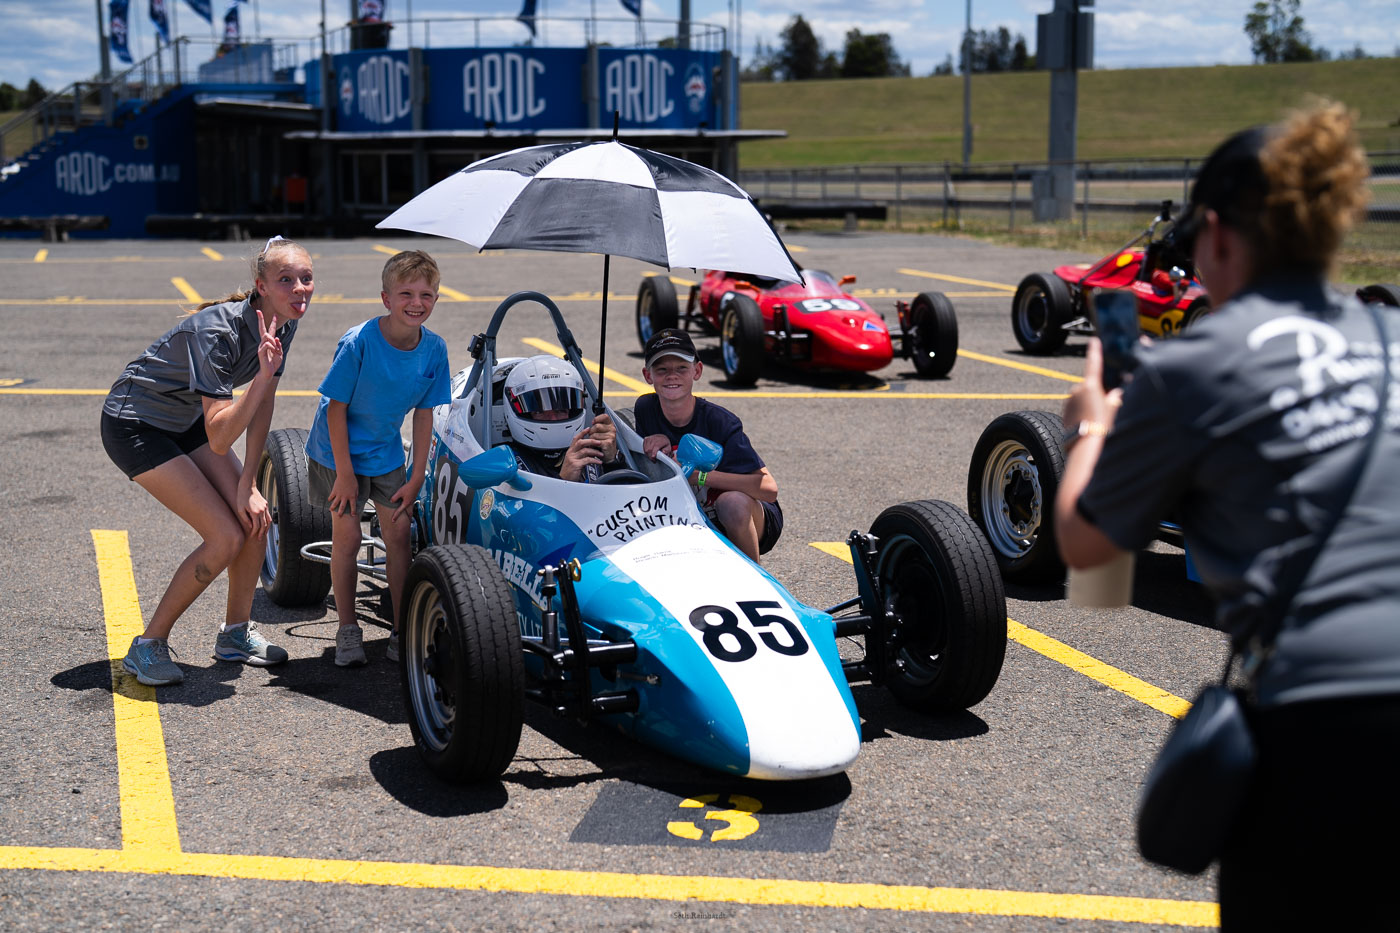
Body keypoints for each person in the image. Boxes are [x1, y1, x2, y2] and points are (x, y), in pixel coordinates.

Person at [1052, 100, 1399, 929]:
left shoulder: (1195, 365)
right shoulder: (1390, 337)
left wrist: (1097, 429)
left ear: (1215, 234)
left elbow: (1089, 550)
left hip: (1330, 725)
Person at [102, 236, 311, 686]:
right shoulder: (215, 331)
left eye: (306, 279)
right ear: (261, 285)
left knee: (255, 519)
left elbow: (263, 405)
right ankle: (147, 646)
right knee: (224, 537)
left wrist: (249, 482)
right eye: (286, 280)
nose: (299, 289)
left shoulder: (284, 324)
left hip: (186, 419)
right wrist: (263, 377)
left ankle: (234, 635)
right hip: (135, 423)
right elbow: (219, 434)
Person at [305, 249, 452, 667]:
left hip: (385, 451)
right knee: (348, 538)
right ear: (386, 299)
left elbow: (425, 413)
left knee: (399, 538)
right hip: (338, 453)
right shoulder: (360, 343)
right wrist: (346, 476)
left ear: (436, 299)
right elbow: (335, 409)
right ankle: (348, 628)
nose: (416, 303)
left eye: (426, 294)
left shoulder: (434, 350)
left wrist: (418, 472)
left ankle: (403, 629)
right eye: (405, 293)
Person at [633, 328, 782, 561]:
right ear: (648, 376)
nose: (672, 376)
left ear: (697, 371)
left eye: (682, 367)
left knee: (731, 503)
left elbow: (769, 490)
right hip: (693, 515)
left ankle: (755, 581)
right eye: (662, 370)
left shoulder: (721, 422)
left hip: (748, 514)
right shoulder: (645, 409)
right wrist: (650, 442)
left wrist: (701, 477)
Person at [500, 354, 620, 483]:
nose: (552, 418)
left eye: (561, 410)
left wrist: (612, 462)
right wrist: (563, 480)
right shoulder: (504, 464)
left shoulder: (592, 451)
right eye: (540, 411)